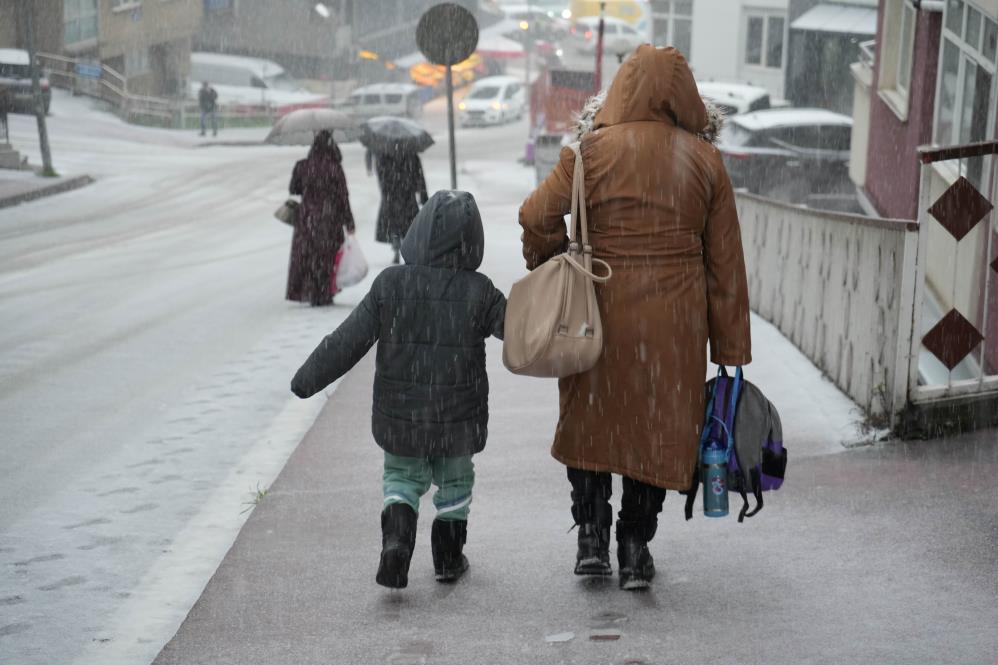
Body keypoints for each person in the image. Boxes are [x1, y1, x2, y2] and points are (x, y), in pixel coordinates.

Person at [518, 45, 752, 590]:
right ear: (686, 98)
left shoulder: (588, 153)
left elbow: (535, 215)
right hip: (674, 328)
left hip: (597, 316)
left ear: (619, 90)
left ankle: (591, 539)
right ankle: (634, 543)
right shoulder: (705, 161)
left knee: (592, 426)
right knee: (657, 429)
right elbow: (726, 265)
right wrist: (731, 350)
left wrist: (552, 258)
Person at [290, 190, 506, 589]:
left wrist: (307, 379)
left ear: (417, 233)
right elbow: (520, 332)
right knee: (456, 484)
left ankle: (396, 545)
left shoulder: (391, 284)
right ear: (473, 241)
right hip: (457, 418)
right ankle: (448, 558)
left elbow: (347, 341)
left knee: (401, 481)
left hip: (401, 419)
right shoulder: (479, 290)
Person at [287, 130, 355, 307]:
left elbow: (293, 190)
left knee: (309, 256)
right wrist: (349, 222)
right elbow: (343, 197)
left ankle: (312, 291)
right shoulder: (335, 168)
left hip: (307, 217)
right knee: (326, 257)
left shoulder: (302, 166)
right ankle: (325, 292)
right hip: (330, 218)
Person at [366, 149, 428, 264]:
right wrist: (423, 194)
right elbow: (419, 175)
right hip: (408, 196)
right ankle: (407, 250)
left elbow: (381, 175)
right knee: (409, 226)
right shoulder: (411, 154)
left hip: (392, 196)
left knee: (394, 225)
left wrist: (386, 190)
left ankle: (396, 249)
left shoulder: (384, 154)